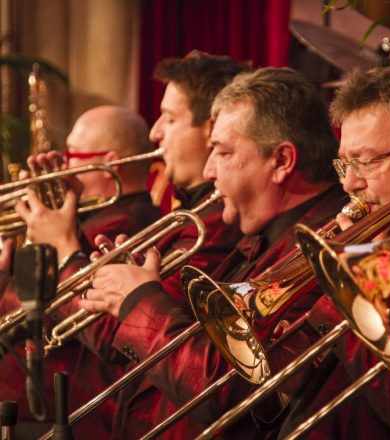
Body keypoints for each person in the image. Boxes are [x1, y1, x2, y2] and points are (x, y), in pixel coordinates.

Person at [79, 66, 348, 439]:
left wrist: (140, 300)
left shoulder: (327, 248)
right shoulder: (258, 236)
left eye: (222, 152)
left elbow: (228, 390)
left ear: (282, 161)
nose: (208, 171)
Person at [15, 52, 248, 438]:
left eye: (170, 119)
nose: (155, 132)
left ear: (211, 129)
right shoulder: (188, 216)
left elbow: (114, 334)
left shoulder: (216, 226)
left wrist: (65, 250)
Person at [278, 62, 390, 439]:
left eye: (367, 160)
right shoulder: (378, 240)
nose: (350, 182)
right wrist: (297, 369)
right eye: (345, 163)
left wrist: (347, 290)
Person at [0, 105, 162, 439]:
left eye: (73, 154)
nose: (61, 165)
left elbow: (50, 308)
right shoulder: (89, 219)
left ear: (110, 163)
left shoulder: (132, 224)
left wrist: (6, 280)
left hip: (63, 409)